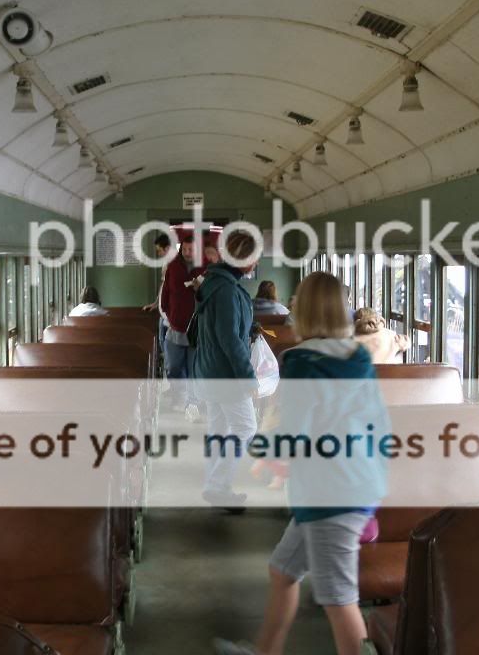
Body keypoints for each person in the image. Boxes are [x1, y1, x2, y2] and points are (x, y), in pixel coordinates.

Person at [213, 271, 389, 655]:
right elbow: (378, 426)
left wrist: (263, 452)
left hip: (330, 495)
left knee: (339, 600)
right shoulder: (358, 357)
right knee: (283, 572)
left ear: (304, 311)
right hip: (354, 483)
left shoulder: (301, 362)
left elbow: (294, 431)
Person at [193, 230, 259, 509]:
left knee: (219, 428)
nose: (256, 264)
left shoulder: (213, 283)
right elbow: (230, 339)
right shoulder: (228, 290)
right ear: (244, 260)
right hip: (225, 373)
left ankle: (215, 484)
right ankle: (218, 485)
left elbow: (223, 329)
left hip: (209, 369)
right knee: (246, 427)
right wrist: (248, 378)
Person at [161, 233, 201, 413]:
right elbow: (165, 294)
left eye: (190, 249)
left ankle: (191, 402)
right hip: (175, 325)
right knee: (174, 366)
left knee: (194, 368)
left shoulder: (204, 268)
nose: (187, 252)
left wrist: (199, 289)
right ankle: (178, 394)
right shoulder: (173, 267)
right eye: (184, 249)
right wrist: (169, 316)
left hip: (197, 327)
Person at [143, 233, 173, 353]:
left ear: (167, 248)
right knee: (162, 342)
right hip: (163, 313)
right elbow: (163, 287)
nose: (158, 254)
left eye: (159, 250)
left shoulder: (177, 265)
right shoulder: (166, 264)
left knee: (168, 347)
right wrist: (155, 304)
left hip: (171, 315)